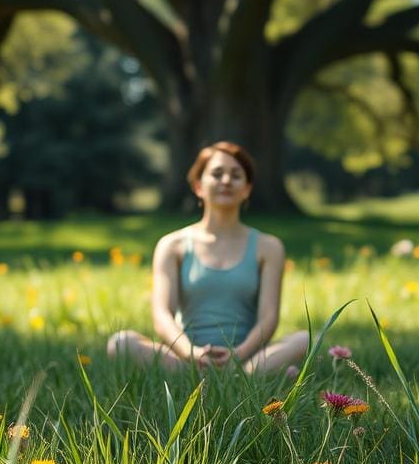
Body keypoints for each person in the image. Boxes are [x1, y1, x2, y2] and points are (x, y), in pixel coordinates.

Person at [107, 141, 309, 374]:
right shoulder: (172, 245)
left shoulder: (269, 247)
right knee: (120, 343)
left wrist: (237, 355)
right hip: (185, 359)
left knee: (305, 339)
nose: (226, 181)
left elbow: (268, 318)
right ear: (198, 186)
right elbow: (162, 315)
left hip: (245, 361)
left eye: (236, 176)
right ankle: (267, 376)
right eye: (217, 174)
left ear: (247, 189)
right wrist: (190, 353)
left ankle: (248, 376)